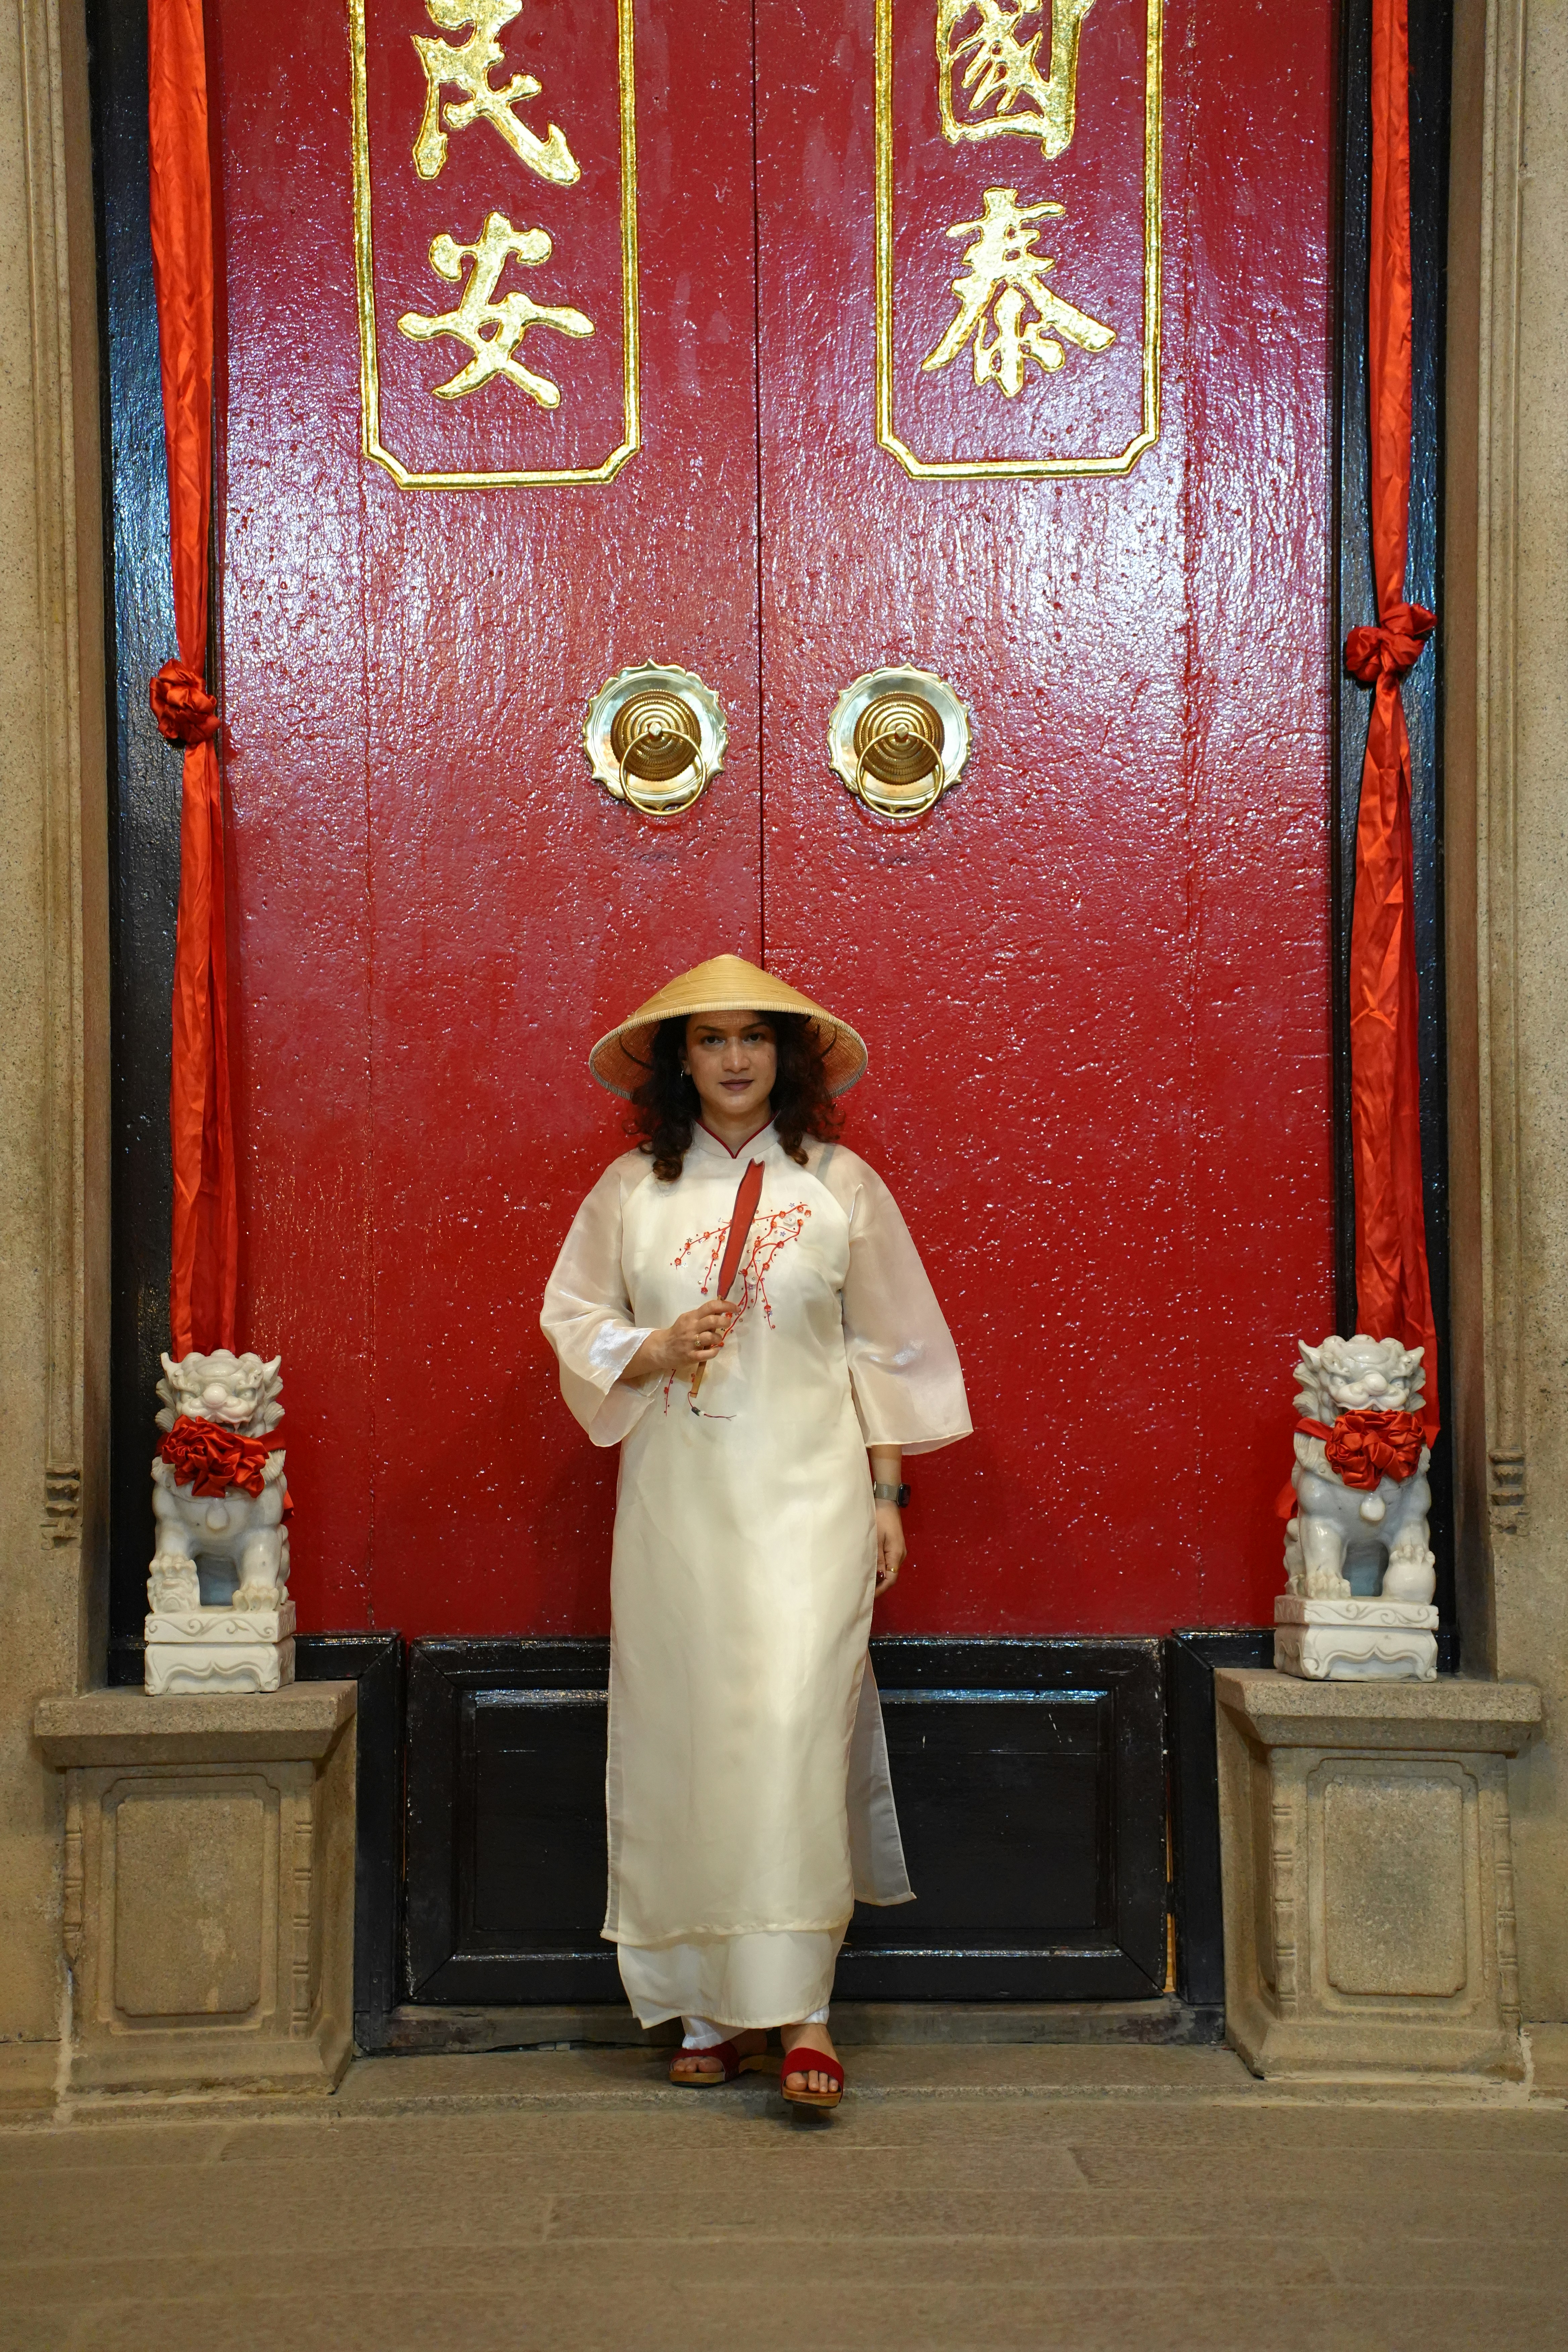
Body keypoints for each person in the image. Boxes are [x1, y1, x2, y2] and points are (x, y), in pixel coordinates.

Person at [541, 954, 970, 2107]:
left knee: (792, 1727)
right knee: (685, 1733)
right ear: (678, 1063)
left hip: (813, 1501)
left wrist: (888, 1497)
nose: (735, 1058)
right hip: (678, 1506)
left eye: (754, 1038)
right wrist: (650, 1349)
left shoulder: (842, 1186)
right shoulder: (632, 1189)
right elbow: (572, 1316)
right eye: (711, 1039)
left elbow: (891, 1349)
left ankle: (803, 2010)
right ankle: (701, 2008)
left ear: (786, 1056)